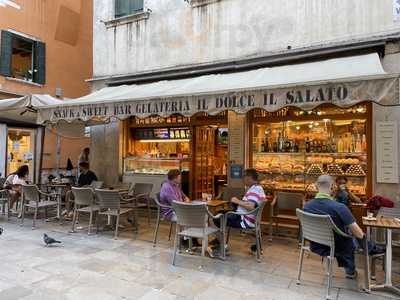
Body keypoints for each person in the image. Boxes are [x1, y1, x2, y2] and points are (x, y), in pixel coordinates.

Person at [304, 175, 384, 279]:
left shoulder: (307, 206)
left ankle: (370, 248)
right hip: (337, 246)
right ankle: (353, 269)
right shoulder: (340, 207)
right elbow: (359, 233)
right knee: (353, 236)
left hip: (316, 244)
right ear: (333, 186)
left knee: (350, 235)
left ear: (316, 186)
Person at [209, 168, 266, 257]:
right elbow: (251, 204)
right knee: (220, 212)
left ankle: (222, 245)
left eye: (244, 177)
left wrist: (237, 201)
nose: (243, 179)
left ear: (249, 177)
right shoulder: (258, 188)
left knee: (214, 218)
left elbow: (250, 206)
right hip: (248, 218)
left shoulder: (255, 190)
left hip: (244, 220)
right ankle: (219, 240)